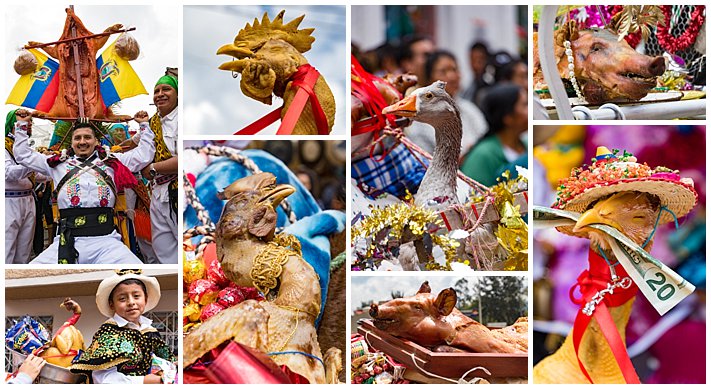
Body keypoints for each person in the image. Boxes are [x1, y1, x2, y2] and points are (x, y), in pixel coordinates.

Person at [12, 109, 155, 264]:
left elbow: (144, 155)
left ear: (96, 141)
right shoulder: (56, 164)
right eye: (77, 138)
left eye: (87, 137)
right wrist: (22, 124)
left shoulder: (112, 162)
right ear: (71, 143)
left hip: (107, 242)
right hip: (66, 241)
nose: (82, 142)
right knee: (33, 275)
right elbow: (23, 155)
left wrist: (144, 125)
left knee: (135, 270)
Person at [70, 270, 175, 384]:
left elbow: (167, 361)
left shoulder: (150, 331)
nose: (131, 302)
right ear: (112, 304)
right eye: (122, 299)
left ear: (145, 299)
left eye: (136, 296)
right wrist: (144, 381)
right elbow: (102, 378)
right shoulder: (109, 333)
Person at [127, 75, 179, 264]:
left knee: (181, 243)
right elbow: (133, 143)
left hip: (177, 191)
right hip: (157, 192)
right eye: (156, 91)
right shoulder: (154, 123)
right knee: (162, 248)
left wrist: (154, 168)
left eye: (166, 89)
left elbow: (184, 158)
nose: (160, 94)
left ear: (177, 94)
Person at [405, 50, 488, 160]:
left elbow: (486, 139)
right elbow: (424, 163)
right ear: (429, 79)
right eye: (443, 72)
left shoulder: (470, 109)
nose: (452, 76)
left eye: (455, 69)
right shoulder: (419, 119)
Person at [461, 84, 528, 187]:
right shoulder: (482, 156)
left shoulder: (527, 143)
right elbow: (474, 197)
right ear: (508, 117)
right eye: (525, 105)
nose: (530, 110)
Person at [5, 109, 48, 263]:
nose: (29, 125)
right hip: (8, 201)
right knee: (6, 248)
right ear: (13, 124)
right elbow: (8, 174)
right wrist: (31, 164)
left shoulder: (27, 150)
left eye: (30, 123)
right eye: (24, 122)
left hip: (28, 200)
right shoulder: (3, 146)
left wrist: (55, 165)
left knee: (24, 250)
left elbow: (39, 176)